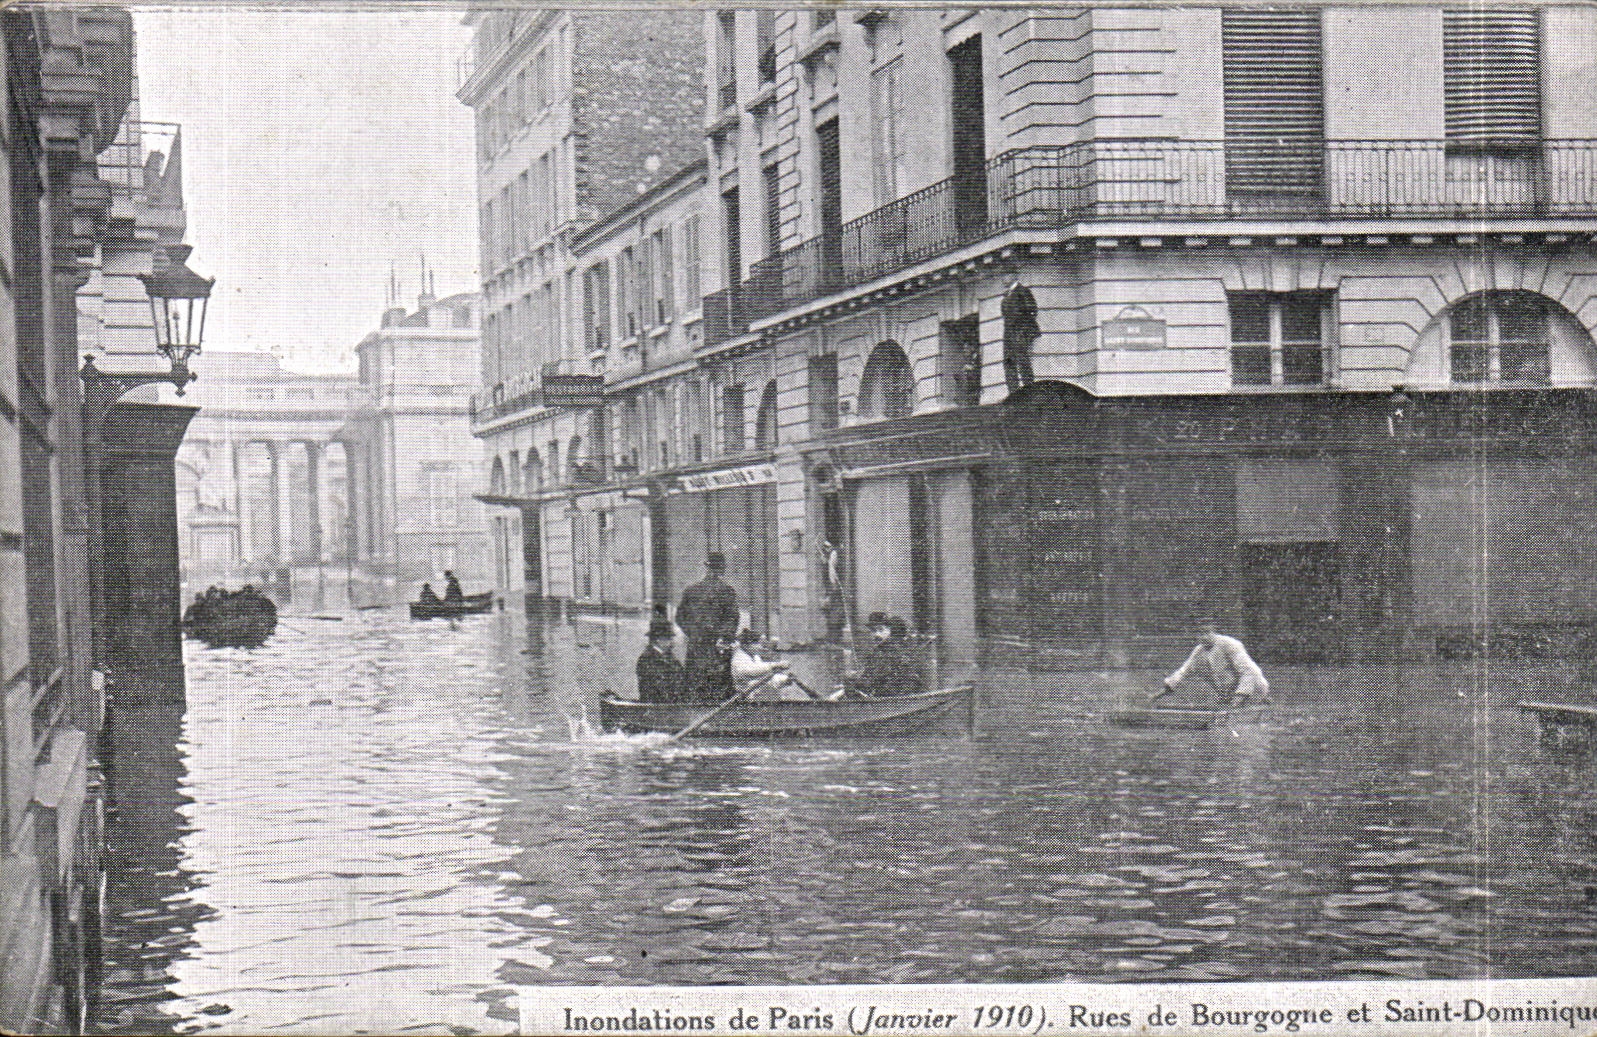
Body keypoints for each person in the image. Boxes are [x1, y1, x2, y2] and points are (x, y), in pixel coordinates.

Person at [676, 552, 740, 702]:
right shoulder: (727, 591)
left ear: (707, 568)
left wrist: (694, 634)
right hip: (717, 647)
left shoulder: (691, 590)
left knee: (695, 682)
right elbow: (733, 619)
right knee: (719, 684)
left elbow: (680, 617)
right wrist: (723, 637)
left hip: (696, 646)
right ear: (722, 569)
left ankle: (694, 710)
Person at [1157, 625, 1271, 706]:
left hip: (1254, 689)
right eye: (1200, 634)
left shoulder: (1230, 645)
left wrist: (1240, 696)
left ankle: (1262, 701)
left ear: (1214, 632)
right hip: (1228, 695)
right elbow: (1184, 671)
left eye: (1207, 633)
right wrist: (1165, 689)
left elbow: (1248, 671)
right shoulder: (1199, 651)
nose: (1204, 637)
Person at [848, 614, 926, 698]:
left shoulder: (892, 651)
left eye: (881, 630)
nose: (876, 634)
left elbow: (872, 678)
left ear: (890, 631)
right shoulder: (878, 652)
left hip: (895, 701)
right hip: (887, 701)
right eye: (873, 631)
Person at [730, 629, 807, 701]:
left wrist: (785, 679)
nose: (761, 647)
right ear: (747, 645)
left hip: (758, 693)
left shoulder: (755, 657)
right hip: (747, 697)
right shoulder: (738, 658)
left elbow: (765, 677)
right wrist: (774, 665)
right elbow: (751, 671)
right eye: (759, 644)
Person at [636, 618, 686, 704]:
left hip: (672, 702)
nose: (672, 642)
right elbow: (656, 686)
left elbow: (681, 678)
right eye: (669, 638)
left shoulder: (670, 658)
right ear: (659, 640)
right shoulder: (647, 659)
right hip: (655, 704)